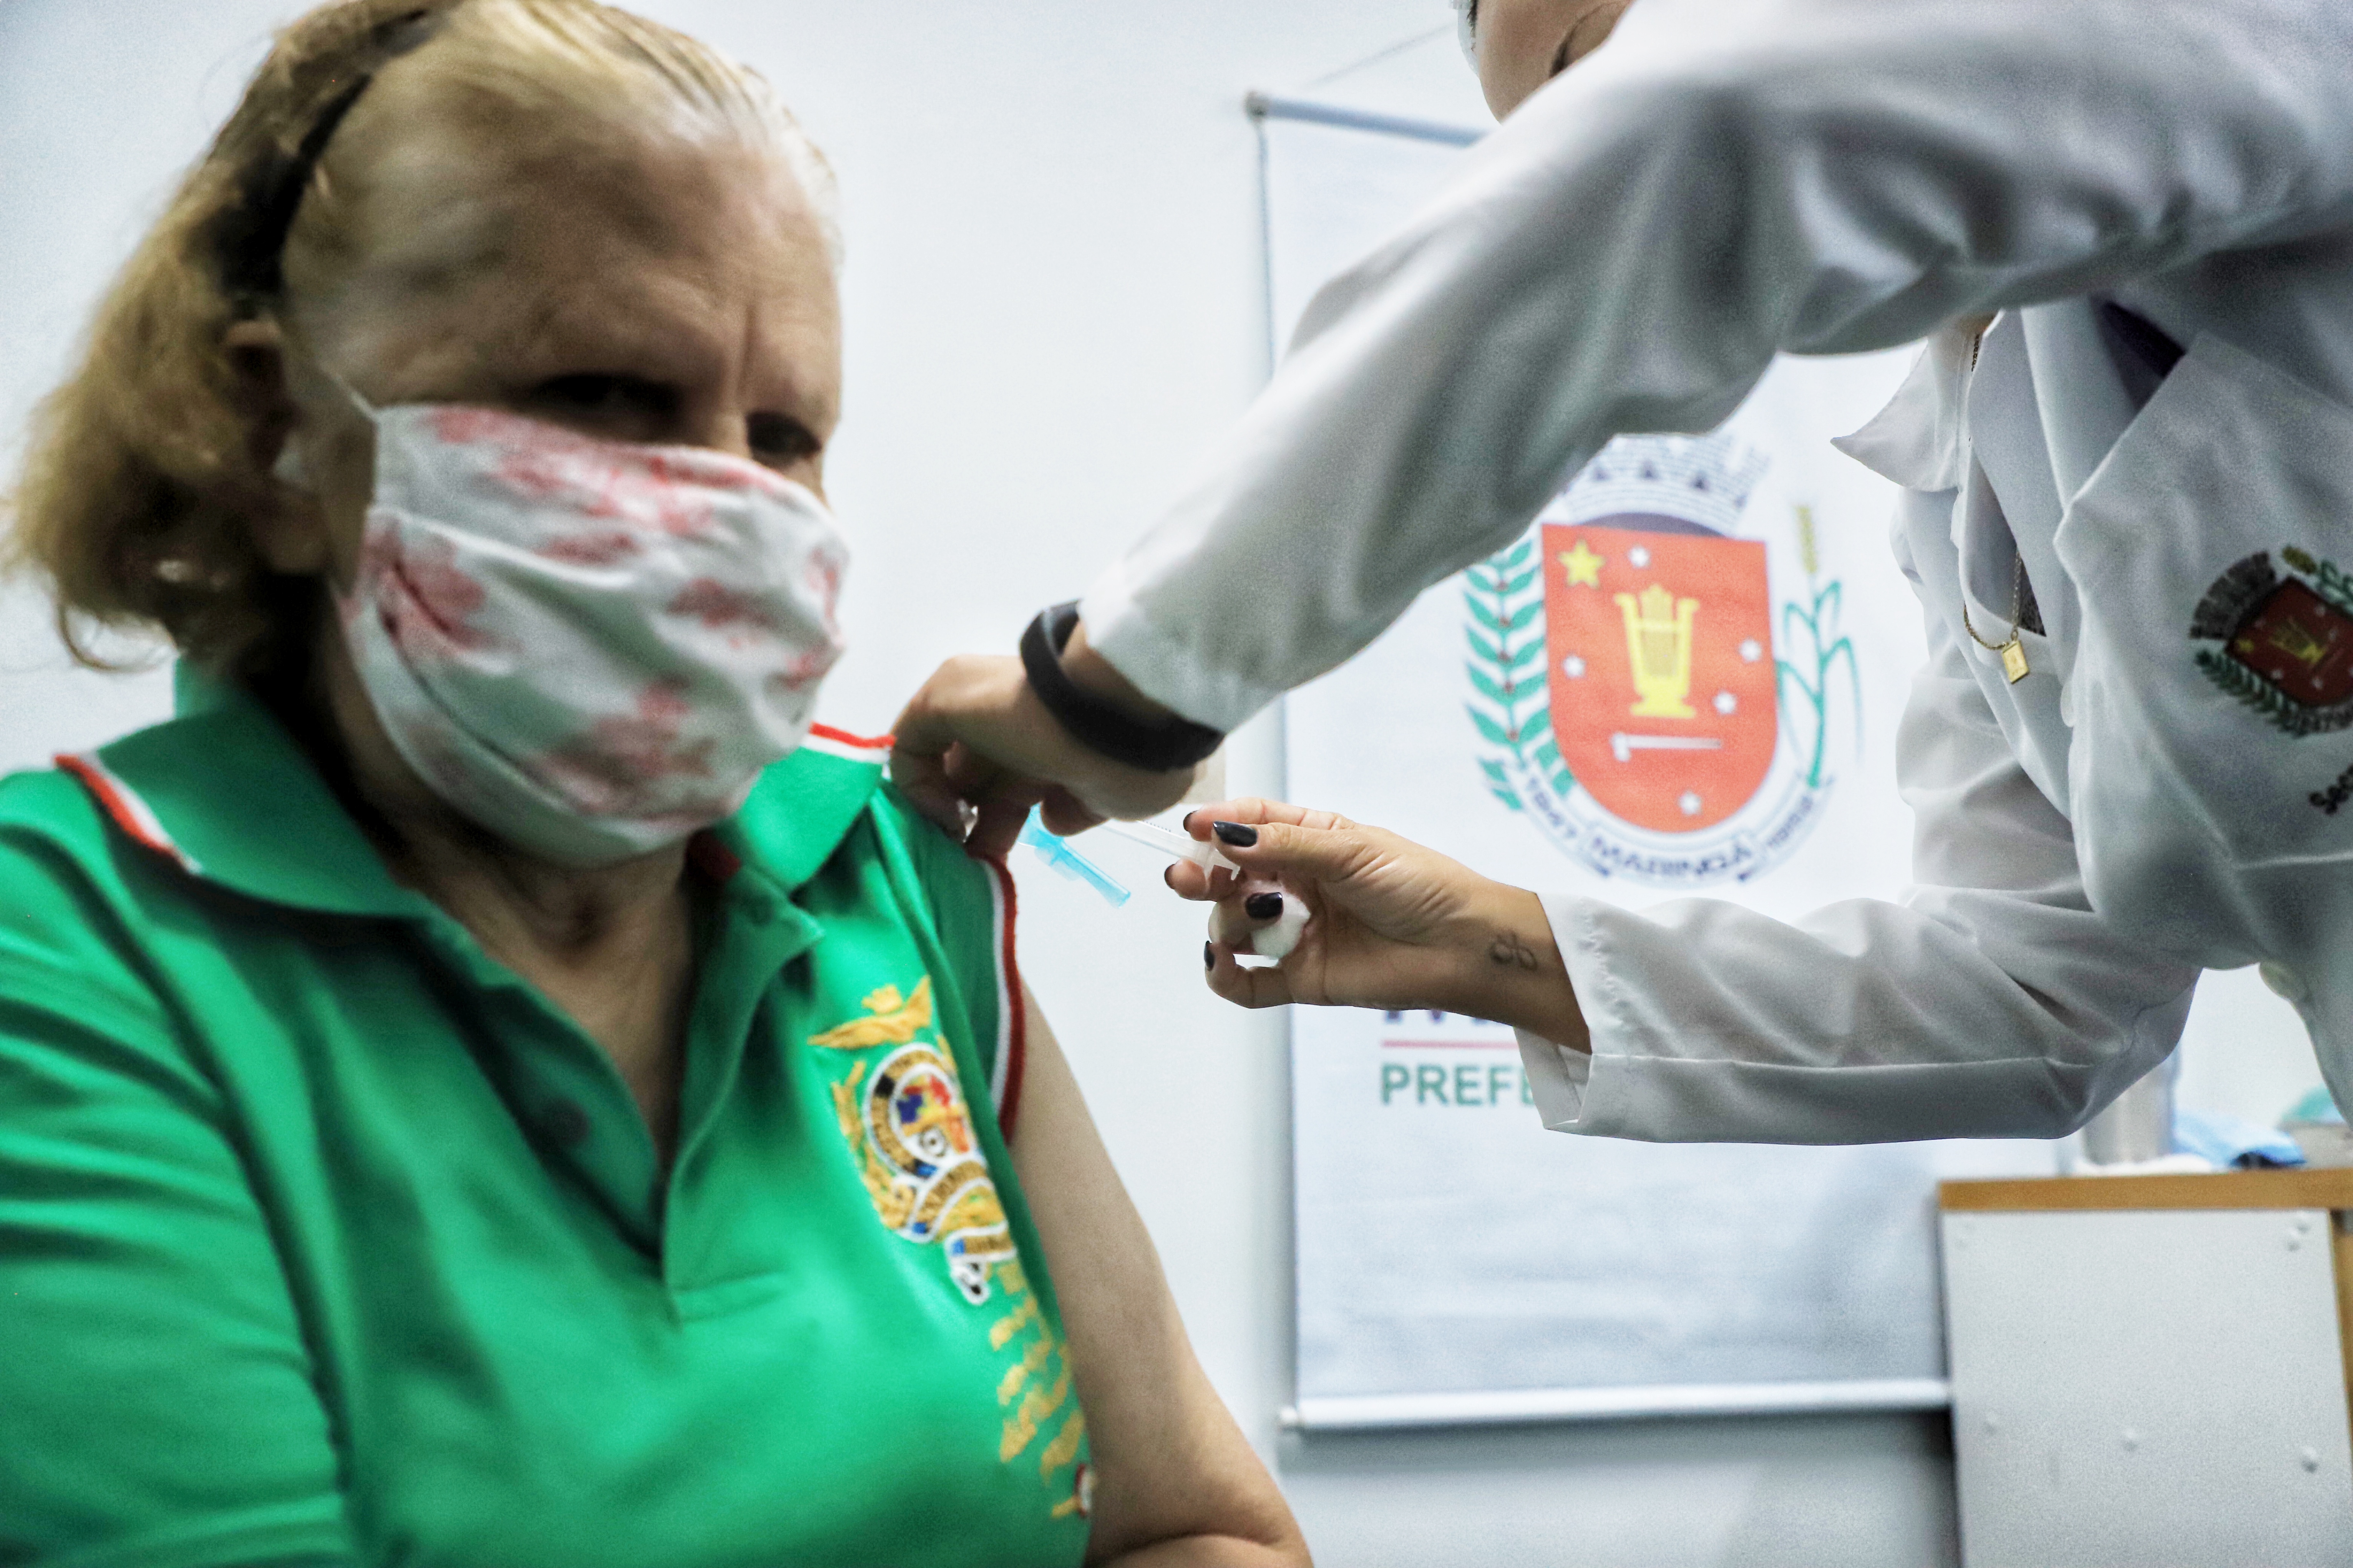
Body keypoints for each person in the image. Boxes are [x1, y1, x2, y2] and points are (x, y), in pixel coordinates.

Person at [0, 4, 1311, 1565]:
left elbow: (1196, 1529)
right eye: (608, 393)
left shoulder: (878, 874)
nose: (720, 510)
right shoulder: (75, 955)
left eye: (783, 434)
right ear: (282, 433)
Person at [889, 0, 2353, 1144]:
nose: (1579, 163)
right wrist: (1481, 942)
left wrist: (1118, 690)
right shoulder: (1973, 455)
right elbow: (2048, 1001)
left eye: (1605, 69)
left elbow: (1723, 128)